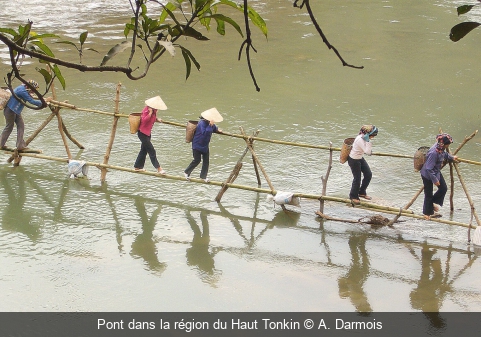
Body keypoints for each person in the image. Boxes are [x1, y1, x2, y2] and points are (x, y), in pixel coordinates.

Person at [1, 80, 51, 150]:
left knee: (21, 126)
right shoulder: (22, 91)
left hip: (16, 111)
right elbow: (32, 101)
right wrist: (44, 102)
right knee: (9, 127)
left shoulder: (23, 88)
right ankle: (1, 144)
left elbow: (29, 96)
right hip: (10, 110)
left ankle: (20, 145)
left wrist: (43, 100)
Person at [420, 133, 458, 220]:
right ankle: (426, 213)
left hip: (435, 171)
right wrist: (435, 180)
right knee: (428, 194)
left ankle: (431, 204)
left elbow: (444, 154)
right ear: (444, 144)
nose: (448, 145)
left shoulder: (440, 148)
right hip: (427, 174)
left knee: (443, 188)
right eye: (448, 144)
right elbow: (429, 168)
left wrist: (451, 157)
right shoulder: (434, 152)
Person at [184, 107, 223, 183]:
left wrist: (217, 130)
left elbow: (214, 128)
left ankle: (203, 176)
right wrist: (210, 126)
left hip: (205, 146)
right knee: (197, 160)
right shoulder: (202, 123)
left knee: (206, 161)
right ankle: (186, 172)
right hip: (197, 145)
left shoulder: (210, 124)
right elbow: (205, 133)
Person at [134, 96, 167, 174]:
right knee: (152, 151)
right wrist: (150, 113)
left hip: (148, 133)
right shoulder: (146, 110)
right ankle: (159, 168)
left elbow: (152, 118)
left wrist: (157, 119)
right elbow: (144, 121)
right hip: (142, 133)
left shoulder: (154, 111)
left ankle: (137, 167)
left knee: (143, 151)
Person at [348, 124, 378, 204]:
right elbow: (367, 152)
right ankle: (353, 196)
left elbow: (366, 150)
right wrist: (368, 141)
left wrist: (367, 142)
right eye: (373, 135)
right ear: (368, 134)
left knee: (368, 174)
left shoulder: (364, 137)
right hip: (354, 159)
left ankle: (361, 192)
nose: (373, 137)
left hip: (360, 158)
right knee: (357, 179)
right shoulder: (360, 139)